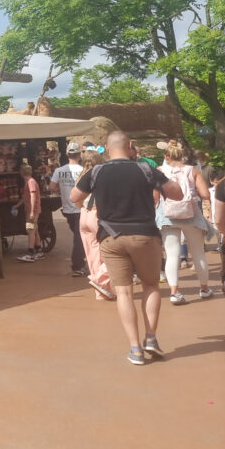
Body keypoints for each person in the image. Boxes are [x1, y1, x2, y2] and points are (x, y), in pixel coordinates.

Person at [70, 131, 182, 365]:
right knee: (151, 284)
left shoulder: (97, 171)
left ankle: (135, 349)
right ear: (130, 146)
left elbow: (74, 197)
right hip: (144, 235)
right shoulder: (145, 169)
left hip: (111, 237)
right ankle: (151, 337)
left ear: (107, 149)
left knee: (124, 292)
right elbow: (177, 193)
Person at [156, 140, 213, 304]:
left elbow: (154, 196)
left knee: (172, 254)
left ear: (166, 156)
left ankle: (175, 292)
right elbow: (205, 194)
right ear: (182, 155)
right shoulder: (192, 170)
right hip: (191, 215)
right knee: (198, 253)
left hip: (167, 216)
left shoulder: (159, 171)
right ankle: (204, 289)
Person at [76, 149, 114, 300]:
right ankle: (99, 281)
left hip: (84, 214)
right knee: (110, 252)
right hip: (97, 214)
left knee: (91, 254)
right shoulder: (103, 176)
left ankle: (100, 293)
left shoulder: (81, 176)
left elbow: (76, 199)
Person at [50, 142, 86, 276]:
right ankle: (77, 265)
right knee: (79, 237)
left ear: (67, 154)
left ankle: (80, 261)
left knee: (78, 236)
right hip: (80, 208)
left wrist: (62, 189)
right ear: (79, 154)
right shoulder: (83, 170)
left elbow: (52, 187)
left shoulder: (59, 171)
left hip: (67, 209)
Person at [15, 164, 42, 262]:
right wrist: (17, 206)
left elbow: (33, 196)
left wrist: (31, 212)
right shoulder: (30, 182)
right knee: (35, 230)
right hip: (32, 210)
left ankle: (30, 252)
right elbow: (25, 197)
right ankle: (39, 250)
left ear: (22, 173)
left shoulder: (30, 182)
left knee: (30, 230)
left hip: (32, 211)